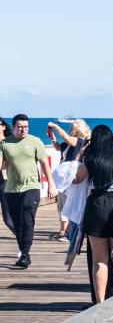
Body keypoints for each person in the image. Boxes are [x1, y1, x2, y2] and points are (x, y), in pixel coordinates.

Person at [76, 124, 113, 300]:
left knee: (99, 260)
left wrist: (79, 155)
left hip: (96, 205)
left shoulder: (91, 158)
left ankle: (100, 302)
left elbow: (76, 178)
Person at [0, 115, 58, 269]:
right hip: (11, 189)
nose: (23, 129)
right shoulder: (5, 144)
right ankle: (24, 253)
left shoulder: (35, 141)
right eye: (20, 127)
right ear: (13, 127)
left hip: (31, 187)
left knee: (27, 220)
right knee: (17, 224)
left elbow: (45, 164)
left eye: (26, 127)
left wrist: (51, 185)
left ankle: (25, 254)